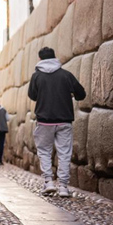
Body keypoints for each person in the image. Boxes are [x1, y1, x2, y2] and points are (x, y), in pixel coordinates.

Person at [28, 47, 86, 198]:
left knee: (44, 152)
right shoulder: (66, 75)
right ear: (55, 58)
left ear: (40, 59)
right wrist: (69, 94)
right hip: (64, 120)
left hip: (44, 121)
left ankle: (48, 182)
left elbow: (32, 96)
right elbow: (81, 94)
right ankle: (63, 187)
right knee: (64, 153)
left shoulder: (36, 76)